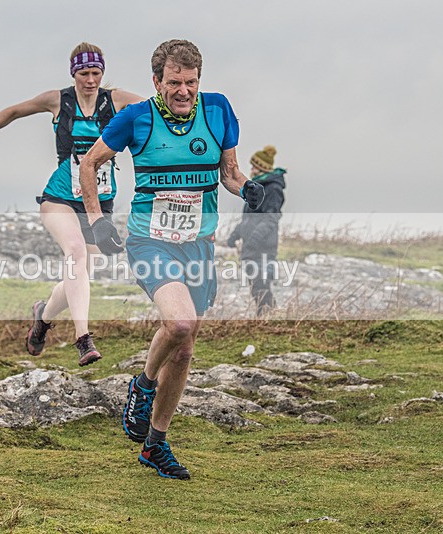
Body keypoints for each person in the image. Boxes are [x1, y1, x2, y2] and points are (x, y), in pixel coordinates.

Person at [79, 39, 265, 479]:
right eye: (175, 83)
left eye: (191, 82)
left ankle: (155, 445)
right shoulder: (136, 117)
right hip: (150, 241)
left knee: (183, 352)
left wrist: (248, 189)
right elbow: (89, 164)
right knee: (179, 323)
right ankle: (143, 386)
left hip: (198, 244)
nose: (184, 91)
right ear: (157, 81)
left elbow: (229, 173)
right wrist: (97, 222)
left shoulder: (217, 110)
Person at [0, 43, 143, 366]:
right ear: (73, 73)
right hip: (59, 196)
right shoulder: (58, 100)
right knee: (75, 252)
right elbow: (14, 111)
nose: (91, 80)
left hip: (98, 202)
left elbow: (159, 108)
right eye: (84, 73)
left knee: (81, 273)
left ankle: (42, 317)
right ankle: (83, 338)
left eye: (96, 73)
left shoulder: (116, 100)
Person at [227, 145, 287, 316]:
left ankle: (267, 317)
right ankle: (268, 317)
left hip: (263, 248)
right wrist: (236, 234)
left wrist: (254, 239)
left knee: (261, 286)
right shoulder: (257, 188)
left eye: (254, 167)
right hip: (251, 248)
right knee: (256, 286)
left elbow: (271, 218)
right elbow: (249, 218)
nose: (251, 170)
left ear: (262, 169)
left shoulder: (273, 189)